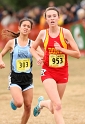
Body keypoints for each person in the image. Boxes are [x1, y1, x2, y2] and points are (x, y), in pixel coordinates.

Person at [30, 7, 81, 124]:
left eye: (54, 16)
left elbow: (77, 54)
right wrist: (38, 58)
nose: (52, 18)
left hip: (62, 72)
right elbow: (32, 48)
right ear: (46, 19)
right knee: (58, 105)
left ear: (58, 18)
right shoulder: (43, 33)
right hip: (48, 71)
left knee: (54, 108)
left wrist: (61, 49)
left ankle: (42, 103)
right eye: (49, 16)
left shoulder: (66, 33)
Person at [0, 17, 43, 124]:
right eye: (24, 25)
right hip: (15, 78)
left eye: (28, 26)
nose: (26, 28)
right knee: (19, 103)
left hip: (28, 78)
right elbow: (1, 54)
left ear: (30, 30)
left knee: (28, 106)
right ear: (19, 27)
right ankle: (14, 100)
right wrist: (1, 61)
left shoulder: (33, 44)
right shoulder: (12, 43)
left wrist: (40, 55)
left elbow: (43, 54)